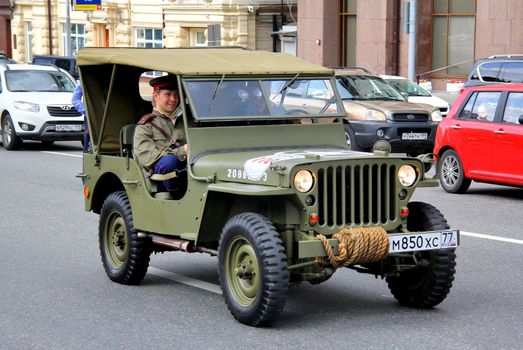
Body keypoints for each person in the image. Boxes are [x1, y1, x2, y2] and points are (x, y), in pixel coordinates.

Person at [133, 75, 188, 196]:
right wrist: (182, 151)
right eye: (168, 94)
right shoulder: (146, 125)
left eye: (176, 95)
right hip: (163, 178)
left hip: (192, 169)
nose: (173, 99)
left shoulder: (186, 122)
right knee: (169, 163)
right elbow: (151, 158)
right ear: (156, 96)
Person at [71, 84, 90, 152]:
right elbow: (75, 99)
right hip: (91, 117)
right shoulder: (83, 82)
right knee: (89, 142)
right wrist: (86, 111)